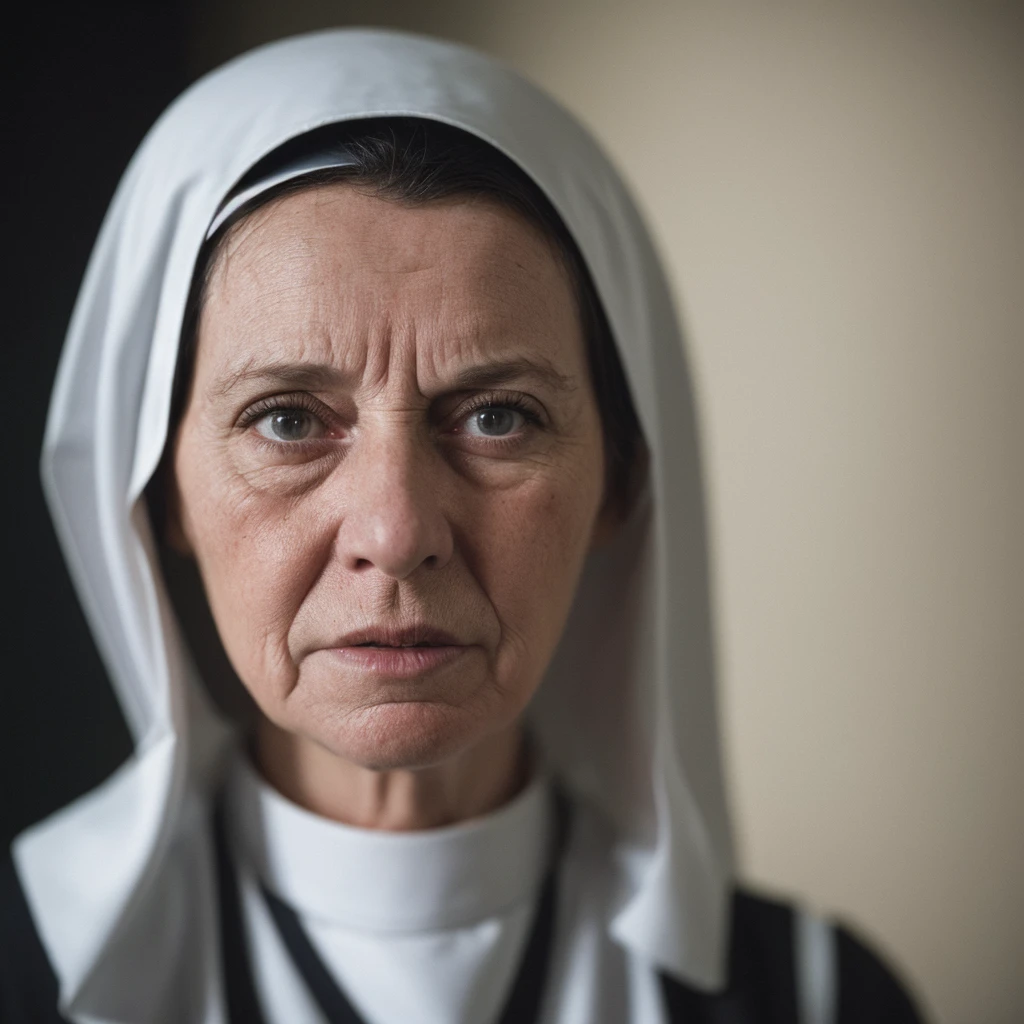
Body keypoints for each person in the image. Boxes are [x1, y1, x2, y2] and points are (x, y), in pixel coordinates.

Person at [0, 28, 925, 1024]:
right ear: (156, 488)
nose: (396, 533)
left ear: (620, 479)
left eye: (496, 417)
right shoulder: (24, 969)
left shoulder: (817, 999)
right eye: (288, 420)